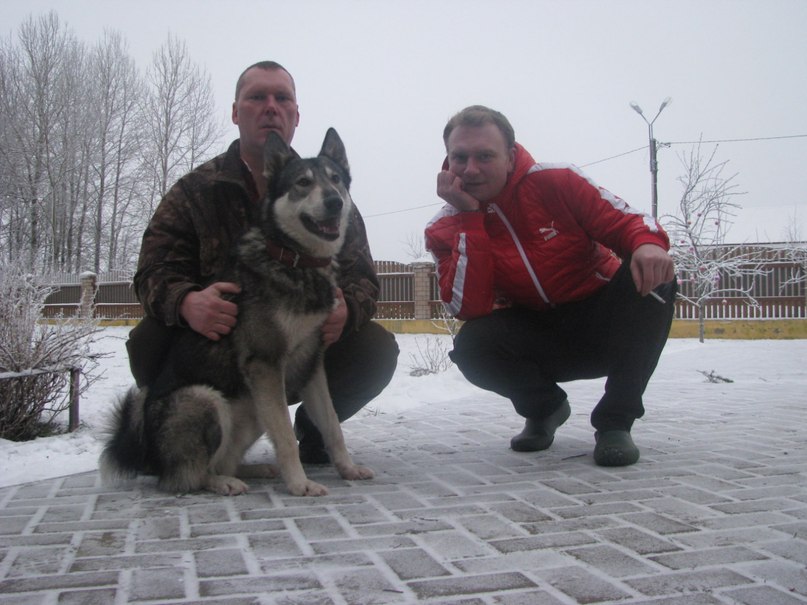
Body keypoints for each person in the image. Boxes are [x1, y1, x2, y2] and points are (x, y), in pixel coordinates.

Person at [127, 60, 399, 463]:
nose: (271, 106)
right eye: (257, 97)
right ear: (236, 112)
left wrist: (349, 308)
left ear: (295, 115)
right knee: (148, 339)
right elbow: (152, 271)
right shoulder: (196, 191)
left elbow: (364, 279)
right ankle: (184, 441)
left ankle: (313, 432)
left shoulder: (332, 201)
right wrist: (187, 301)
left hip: (300, 347)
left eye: (282, 98)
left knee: (375, 347)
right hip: (217, 352)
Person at [425, 105, 676, 466]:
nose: (470, 169)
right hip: (539, 336)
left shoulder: (556, 182)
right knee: (472, 346)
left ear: (511, 157)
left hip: (602, 322)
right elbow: (468, 308)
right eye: (459, 157)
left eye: (485, 156)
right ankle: (545, 409)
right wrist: (470, 218)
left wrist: (648, 243)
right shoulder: (444, 227)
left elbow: (626, 222)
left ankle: (615, 423)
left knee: (658, 278)